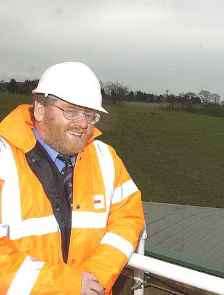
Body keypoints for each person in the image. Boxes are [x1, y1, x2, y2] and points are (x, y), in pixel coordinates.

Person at [0, 62, 145, 294]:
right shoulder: (3, 160)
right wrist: (68, 285)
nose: (83, 124)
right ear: (39, 109)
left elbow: (129, 218)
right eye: (71, 111)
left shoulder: (106, 158)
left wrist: (95, 276)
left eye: (90, 114)